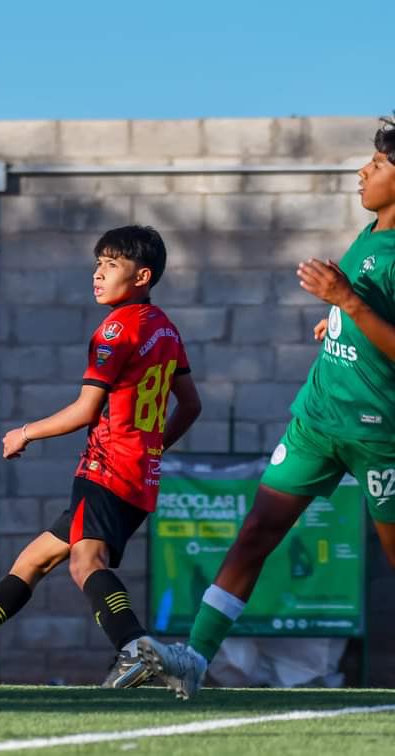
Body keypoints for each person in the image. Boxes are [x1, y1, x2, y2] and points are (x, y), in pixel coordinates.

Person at [139, 116, 395, 700]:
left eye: (378, 165)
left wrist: (347, 302)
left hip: (379, 433)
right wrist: (337, 320)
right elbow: (371, 318)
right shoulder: (370, 236)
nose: (364, 170)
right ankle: (195, 659)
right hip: (317, 422)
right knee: (256, 531)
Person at [0, 225, 202, 687]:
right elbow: (192, 405)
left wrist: (25, 432)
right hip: (138, 472)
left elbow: (85, 410)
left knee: (86, 564)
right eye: (98, 263)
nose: (98, 274)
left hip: (106, 466)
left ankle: (135, 646)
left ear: (142, 277)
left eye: (111, 265)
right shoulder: (165, 328)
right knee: (33, 560)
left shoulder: (116, 329)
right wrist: (151, 448)